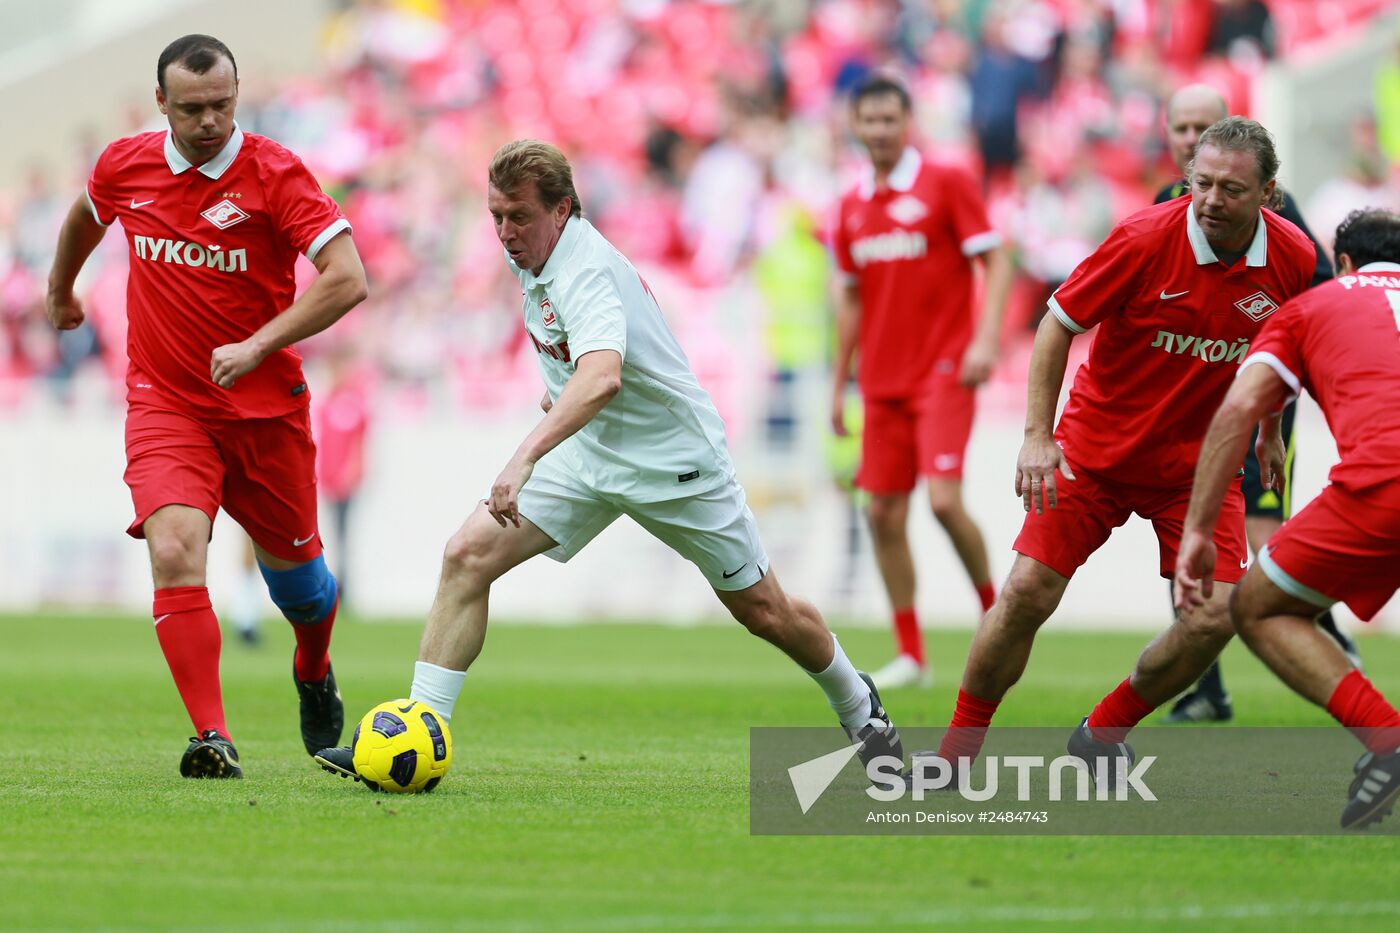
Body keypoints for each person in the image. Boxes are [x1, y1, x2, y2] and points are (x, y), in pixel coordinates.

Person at [313, 140, 901, 780]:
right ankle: (420, 734)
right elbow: (580, 363)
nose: (505, 233)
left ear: (562, 209)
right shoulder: (531, 256)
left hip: (674, 463)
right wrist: (557, 386)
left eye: (519, 217)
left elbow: (602, 378)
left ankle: (855, 700)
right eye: (496, 217)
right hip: (591, 452)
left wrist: (522, 459)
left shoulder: (584, 265)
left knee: (764, 612)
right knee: (466, 556)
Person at [926, 117, 1316, 784]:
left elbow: (1283, 350)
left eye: (1231, 187)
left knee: (1217, 615)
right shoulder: (1142, 238)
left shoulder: (1294, 257)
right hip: (1094, 452)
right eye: (1202, 183)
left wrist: (1272, 432)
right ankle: (955, 756)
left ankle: (1102, 733)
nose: (1212, 199)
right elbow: (1056, 324)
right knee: (1025, 592)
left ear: (1268, 193)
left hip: (1197, 470)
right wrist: (1037, 437)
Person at [44, 35, 368, 778]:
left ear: (237, 93)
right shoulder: (125, 166)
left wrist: (258, 345)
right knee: (175, 549)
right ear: (162, 103)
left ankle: (314, 668)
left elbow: (347, 278)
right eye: (192, 109)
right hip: (166, 402)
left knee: (303, 587)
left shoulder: (277, 175)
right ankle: (211, 735)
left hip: (265, 409)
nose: (211, 121)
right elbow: (83, 218)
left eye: (223, 104)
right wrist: (62, 290)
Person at [1176, 208, 1400, 829]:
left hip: (1384, 483)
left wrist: (1197, 528)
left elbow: (1237, 410)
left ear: (1345, 264)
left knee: (1257, 606)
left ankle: (1387, 738)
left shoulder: (1313, 303)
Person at [1153, 83, 1359, 723]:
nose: (1191, 138)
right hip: (1191, 409)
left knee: (1265, 545)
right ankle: (1209, 687)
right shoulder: (1164, 206)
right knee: (1190, 539)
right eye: (1182, 128)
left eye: (1203, 126)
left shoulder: (1279, 210)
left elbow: (1319, 300)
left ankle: (1319, 623)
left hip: (1262, 405)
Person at [831, 74, 1012, 690]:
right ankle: (912, 652)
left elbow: (999, 257)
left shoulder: (946, 181)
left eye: (890, 119)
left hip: (942, 370)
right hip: (881, 381)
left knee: (941, 501)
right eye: (870, 120)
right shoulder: (851, 203)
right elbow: (851, 300)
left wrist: (986, 340)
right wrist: (839, 383)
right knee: (881, 513)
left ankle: (999, 618)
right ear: (855, 126)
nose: (880, 130)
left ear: (907, 122)